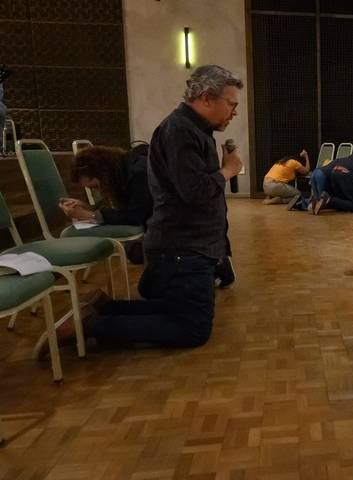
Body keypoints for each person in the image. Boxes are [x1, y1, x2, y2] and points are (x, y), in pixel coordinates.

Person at [42, 65, 244, 351]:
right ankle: (87, 327)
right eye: (231, 104)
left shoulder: (194, 130)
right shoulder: (179, 131)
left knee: (177, 312)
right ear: (207, 97)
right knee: (192, 328)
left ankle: (104, 309)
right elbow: (195, 192)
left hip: (189, 245)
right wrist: (228, 170)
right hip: (183, 248)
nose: (234, 112)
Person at [61, 144, 152, 263]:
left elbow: (134, 216)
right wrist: (89, 207)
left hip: (175, 233)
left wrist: (91, 215)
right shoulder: (125, 167)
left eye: (96, 187)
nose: (99, 191)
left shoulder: (139, 173)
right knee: (132, 250)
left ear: (104, 174)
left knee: (134, 251)